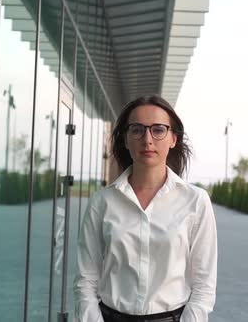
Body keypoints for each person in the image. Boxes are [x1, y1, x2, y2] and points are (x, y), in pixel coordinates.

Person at [74, 95, 217, 322]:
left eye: (158, 130)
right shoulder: (102, 202)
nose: (147, 139)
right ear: (125, 138)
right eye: (137, 130)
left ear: (173, 138)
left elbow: (204, 284)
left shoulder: (196, 201)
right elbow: (86, 279)